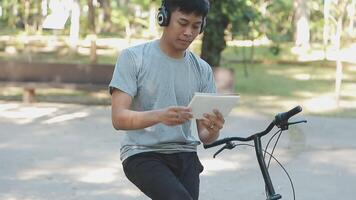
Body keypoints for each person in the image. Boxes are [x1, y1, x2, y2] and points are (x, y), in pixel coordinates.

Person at [109, 0, 225, 199]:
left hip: (186, 154)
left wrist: (214, 129)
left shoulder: (202, 69)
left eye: (196, 26)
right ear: (164, 18)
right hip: (142, 154)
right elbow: (118, 118)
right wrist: (159, 116)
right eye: (183, 23)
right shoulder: (133, 58)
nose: (189, 32)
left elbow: (205, 136)